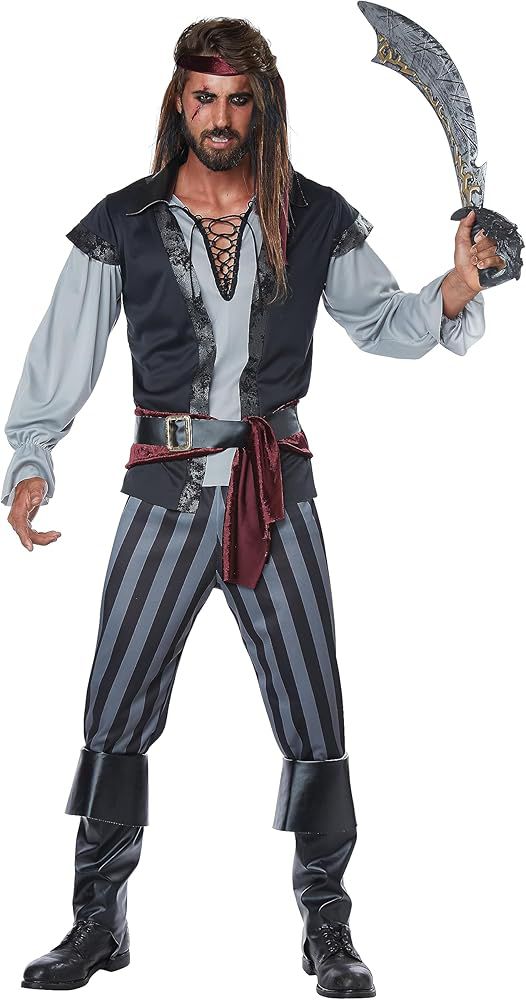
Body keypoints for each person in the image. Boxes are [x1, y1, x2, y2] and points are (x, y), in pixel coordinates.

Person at [2, 16, 505, 997]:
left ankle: (328, 925)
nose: (220, 116)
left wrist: (456, 282)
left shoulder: (315, 216)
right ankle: (97, 918)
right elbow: (62, 351)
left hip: (278, 495)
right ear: (178, 101)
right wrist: (32, 460)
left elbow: (386, 324)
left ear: (262, 105)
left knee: (313, 705)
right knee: (116, 700)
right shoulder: (122, 222)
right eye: (204, 97)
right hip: (163, 491)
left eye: (237, 99)